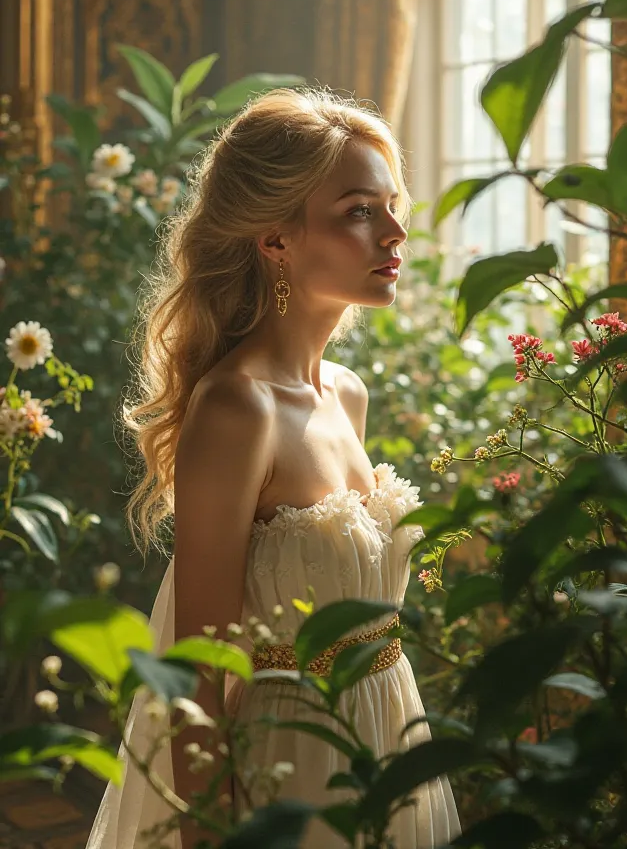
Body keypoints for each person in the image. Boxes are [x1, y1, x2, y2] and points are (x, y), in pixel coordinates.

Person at [85, 87, 461, 848]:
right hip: (291, 767)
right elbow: (195, 674)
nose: (394, 232)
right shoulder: (238, 410)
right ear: (276, 240)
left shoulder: (346, 395)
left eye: (393, 206)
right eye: (359, 211)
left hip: (389, 733)